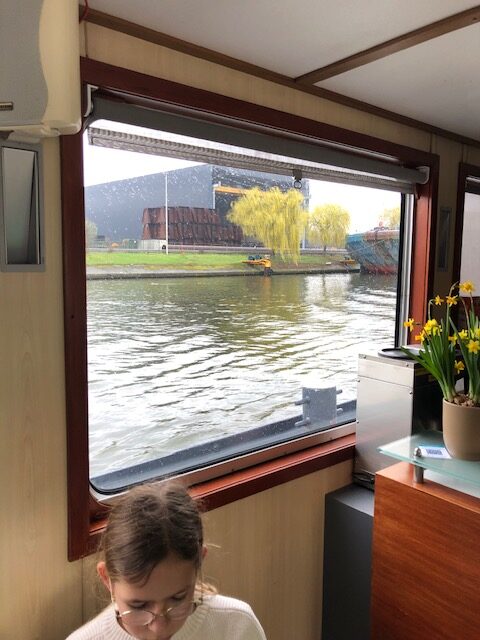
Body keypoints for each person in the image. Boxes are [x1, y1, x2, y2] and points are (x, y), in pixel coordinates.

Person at [66, 481, 267, 640]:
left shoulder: (236, 625)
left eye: (178, 598)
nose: (159, 628)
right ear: (107, 579)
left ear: (198, 563)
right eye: (139, 605)